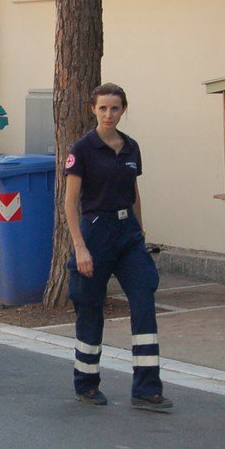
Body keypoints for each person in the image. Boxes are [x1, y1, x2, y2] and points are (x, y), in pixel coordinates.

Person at [64, 83, 170, 411]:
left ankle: (146, 389)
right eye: (103, 108)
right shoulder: (82, 149)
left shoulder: (131, 148)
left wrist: (141, 233)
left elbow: (134, 193)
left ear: (124, 109)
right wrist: (80, 247)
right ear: (93, 110)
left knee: (143, 303)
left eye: (115, 108)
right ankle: (86, 383)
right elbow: (69, 204)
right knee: (90, 307)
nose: (109, 114)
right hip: (95, 233)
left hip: (128, 235)